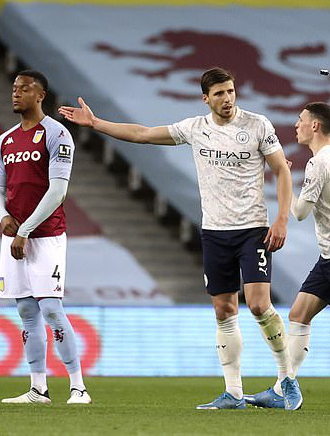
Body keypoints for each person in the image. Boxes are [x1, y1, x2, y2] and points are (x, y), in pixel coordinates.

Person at [58, 67, 302, 411]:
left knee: (259, 304)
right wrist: (98, 124)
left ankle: (287, 380)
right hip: (215, 232)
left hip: (253, 229)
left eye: (230, 91)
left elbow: (282, 169)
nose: (227, 98)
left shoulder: (257, 125)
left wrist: (281, 219)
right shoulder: (195, 128)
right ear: (206, 99)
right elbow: (142, 133)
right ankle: (233, 393)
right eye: (219, 94)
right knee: (223, 309)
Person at [245, 102, 330, 408]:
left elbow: (300, 213)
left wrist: (284, 181)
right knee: (298, 314)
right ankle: (282, 388)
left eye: (301, 120)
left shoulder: (318, 164)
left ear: (315, 125)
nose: (296, 125)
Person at [0, 70, 91, 404]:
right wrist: (3, 217)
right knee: (25, 311)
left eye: (24, 89)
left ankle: (78, 387)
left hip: (45, 237)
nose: (16, 94)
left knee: (50, 308)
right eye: (14, 89)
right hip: (15, 237)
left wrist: (24, 229)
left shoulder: (57, 134)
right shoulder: (5, 140)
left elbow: (58, 191)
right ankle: (38, 388)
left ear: (41, 95)